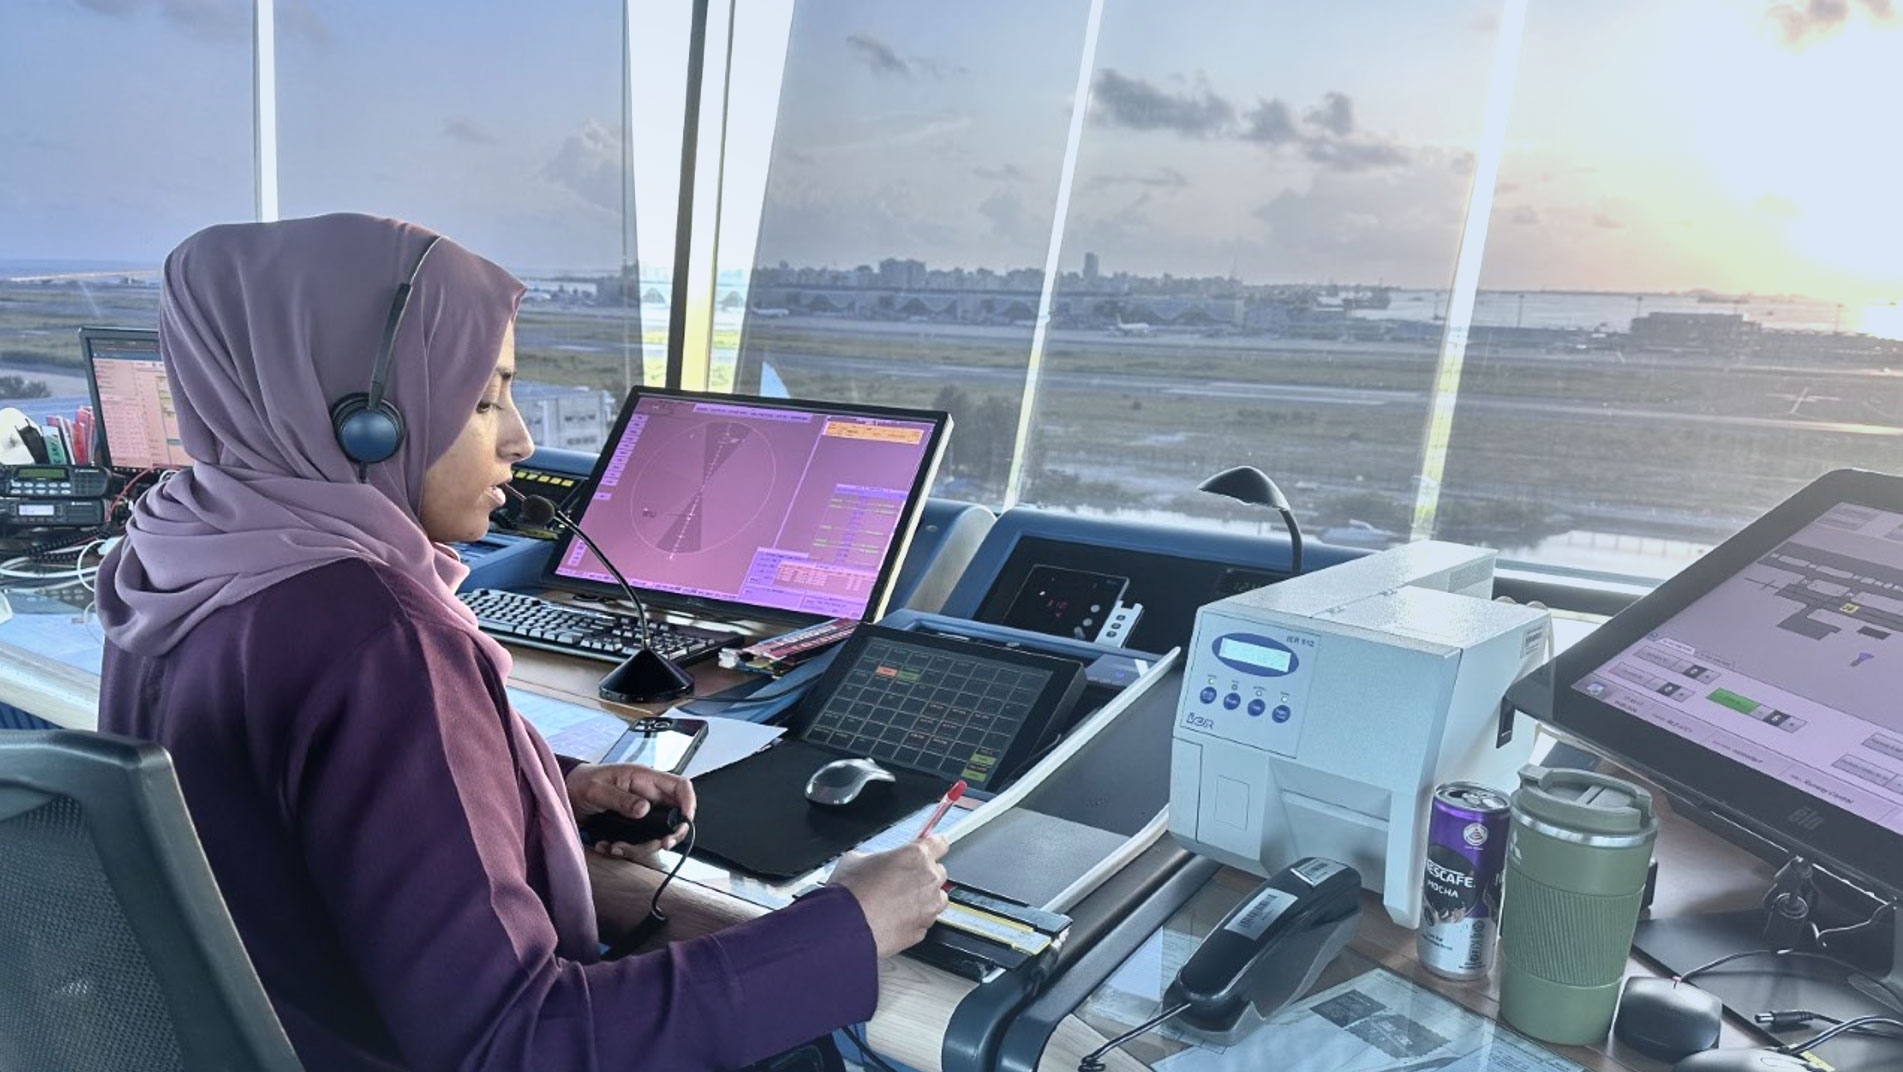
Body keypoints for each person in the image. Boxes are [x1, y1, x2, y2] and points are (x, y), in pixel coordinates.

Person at [95, 213, 949, 1071]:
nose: (520, 440)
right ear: (366, 423)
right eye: (481, 400)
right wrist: (847, 928)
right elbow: (519, 1042)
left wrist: (534, 791)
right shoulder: (383, 636)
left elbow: (273, 809)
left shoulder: (183, 547)